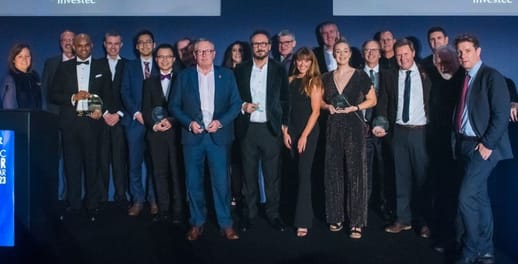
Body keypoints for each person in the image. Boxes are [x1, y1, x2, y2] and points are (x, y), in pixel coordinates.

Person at [170, 38, 242, 241]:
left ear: (214, 53)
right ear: (194, 55)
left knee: (221, 183)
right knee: (193, 183)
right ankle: (196, 223)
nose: (203, 55)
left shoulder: (227, 75)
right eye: (199, 52)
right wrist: (188, 122)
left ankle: (226, 224)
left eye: (207, 51)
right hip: (192, 137)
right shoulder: (184, 76)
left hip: (218, 137)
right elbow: (174, 106)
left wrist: (220, 122)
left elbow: (236, 104)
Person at [453, 33, 512, 264]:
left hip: (485, 147)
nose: (463, 55)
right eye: (459, 52)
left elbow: (500, 114)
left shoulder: (491, 76)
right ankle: (486, 251)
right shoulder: (464, 78)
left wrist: (487, 144)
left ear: (478, 51)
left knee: (465, 196)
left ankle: (470, 251)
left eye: (467, 50)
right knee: (480, 198)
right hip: (465, 145)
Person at [373, 38, 432, 239]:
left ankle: (424, 221)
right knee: (401, 178)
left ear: (413, 53)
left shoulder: (427, 73)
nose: (402, 58)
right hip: (398, 133)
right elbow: (382, 104)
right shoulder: (389, 76)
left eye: (406, 53)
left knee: (423, 179)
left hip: (420, 133)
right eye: (399, 55)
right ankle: (403, 219)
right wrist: (379, 124)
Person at [50, 33, 112, 221]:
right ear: (73, 47)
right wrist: (73, 97)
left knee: (92, 166)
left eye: (87, 45)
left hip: (92, 123)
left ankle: (92, 204)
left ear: (92, 46)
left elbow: (108, 94)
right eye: (80, 45)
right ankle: (74, 204)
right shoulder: (64, 66)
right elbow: (53, 94)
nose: (83, 48)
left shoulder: (102, 66)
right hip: (70, 123)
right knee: (71, 165)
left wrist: (101, 109)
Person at [234, 30, 289, 232]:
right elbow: (233, 97)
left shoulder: (279, 69)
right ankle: (249, 215)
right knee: (248, 176)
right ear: (251, 47)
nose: (260, 47)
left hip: (270, 129)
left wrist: (284, 126)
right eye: (256, 44)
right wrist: (242, 106)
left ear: (269, 46)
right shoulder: (240, 69)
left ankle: (273, 215)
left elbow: (285, 99)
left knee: (272, 176)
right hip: (247, 129)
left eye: (263, 43)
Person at [321, 39, 376, 239]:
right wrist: (328, 107)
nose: (342, 55)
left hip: (354, 126)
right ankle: (335, 217)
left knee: (357, 173)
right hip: (333, 126)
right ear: (333, 54)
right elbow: (318, 101)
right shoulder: (326, 77)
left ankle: (356, 222)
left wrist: (356, 108)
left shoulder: (360, 76)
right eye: (338, 51)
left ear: (350, 54)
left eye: (345, 51)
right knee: (333, 171)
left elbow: (373, 100)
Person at [281, 47, 322, 237]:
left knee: (304, 175)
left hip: (308, 133)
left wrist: (304, 135)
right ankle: (292, 215)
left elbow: (315, 112)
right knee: (292, 175)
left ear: (312, 62)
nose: (302, 64)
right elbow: (285, 109)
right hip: (291, 131)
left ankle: (303, 221)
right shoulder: (289, 81)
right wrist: (285, 131)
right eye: (299, 60)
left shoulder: (314, 82)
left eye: (306, 61)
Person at [142, 43, 185, 223]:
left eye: (168, 56)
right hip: (156, 134)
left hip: (176, 133)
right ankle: (164, 209)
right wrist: (154, 125)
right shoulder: (148, 82)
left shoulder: (182, 79)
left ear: (174, 59)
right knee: (159, 172)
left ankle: (178, 210)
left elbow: (186, 106)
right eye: (161, 57)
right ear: (156, 59)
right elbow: (145, 108)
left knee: (177, 172)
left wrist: (173, 121)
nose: (165, 60)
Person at [426, 45, 463, 253]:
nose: (443, 65)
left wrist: (513, 101)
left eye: (447, 61)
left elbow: (502, 83)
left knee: (460, 197)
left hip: (460, 149)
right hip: (438, 148)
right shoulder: (435, 81)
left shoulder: (466, 78)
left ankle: (459, 240)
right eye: (439, 62)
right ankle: (444, 236)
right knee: (441, 194)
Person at [120, 30, 159, 216]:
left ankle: (153, 200)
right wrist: (137, 113)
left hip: (156, 125)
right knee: (134, 163)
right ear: (136, 46)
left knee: (155, 163)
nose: (145, 45)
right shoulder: (129, 66)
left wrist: (155, 117)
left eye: (148, 42)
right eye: (141, 42)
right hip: (135, 123)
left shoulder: (162, 65)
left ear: (154, 44)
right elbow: (124, 92)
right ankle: (137, 199)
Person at [360, 39, 395, 222]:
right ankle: (362, 209)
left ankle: (385, 207)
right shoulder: (356, 75)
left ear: (380, 53)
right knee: (364, 172)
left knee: (384, 171)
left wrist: (385, 125)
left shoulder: (390, 75)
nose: (371, 53)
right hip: (363, 131)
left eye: (374, 50)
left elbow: (393, 104)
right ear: (362, 53)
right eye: (367, 50)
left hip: (385, 132)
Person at [98, 32, 129, 206]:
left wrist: (119, 114)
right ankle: (102, 198)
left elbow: (132, 93)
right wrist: (103, 114)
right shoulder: (96, 64)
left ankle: (121, 198)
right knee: (101, 161)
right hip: (100, 121)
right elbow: (90, 92)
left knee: (120, 161)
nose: (113, 46)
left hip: (121, 120)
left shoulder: (128, 66)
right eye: (109, 43)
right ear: (104, 44)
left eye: (116, 43)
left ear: (121, 45)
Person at [41, 30, 75, 114]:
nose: (68, 43)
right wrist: (45, 110)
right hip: (55, 113)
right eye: (64, 40)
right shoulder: (50, 63)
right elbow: (44, 88)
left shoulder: (83, 62)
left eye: (70, 40)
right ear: (60, 43)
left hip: (77, 114)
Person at [1, 43, 42, 110]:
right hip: (19, 119)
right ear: (13, 60)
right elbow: (9, 108)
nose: (24, 59)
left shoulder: (35, 77)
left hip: (36, 119)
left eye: (27, 56)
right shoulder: (9, 79)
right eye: (20, 56)